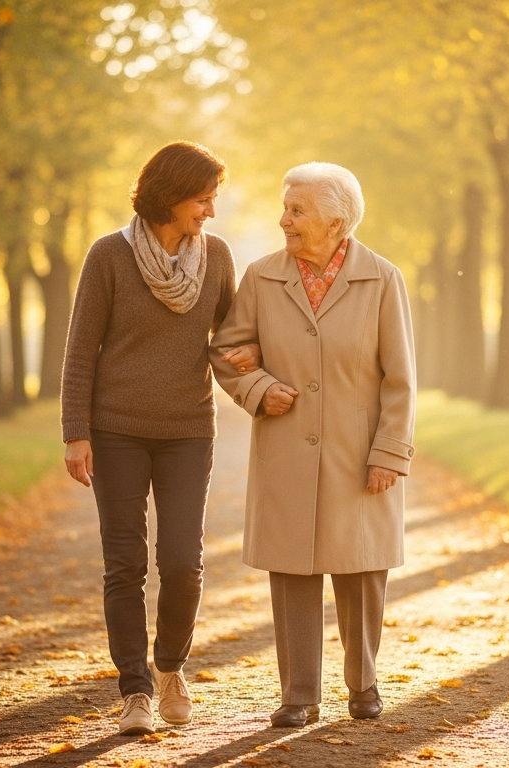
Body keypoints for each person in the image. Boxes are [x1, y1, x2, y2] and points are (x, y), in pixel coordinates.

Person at [60, 141, 260, 736]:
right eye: (203, 200)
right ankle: (135, 691)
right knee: (124, 564)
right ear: (170, 196)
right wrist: (76, 433)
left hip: (187, 431)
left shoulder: (216, 257)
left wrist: (255, 365)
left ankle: (170, 667)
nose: (211, 211)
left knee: (182, 564)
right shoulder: (109, 256)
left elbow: (231, 336)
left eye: (213, 200)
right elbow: (80, 350)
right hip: (115, 429)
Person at [210, 162, 416, 728]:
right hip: (286, 448)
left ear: (335, 222)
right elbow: (225, 349)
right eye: (285, 208)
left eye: (297, 211)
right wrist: (258, 388)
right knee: (292, 571)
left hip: (358, 451)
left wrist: (389, 452)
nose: (284, 220)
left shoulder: (382, 279)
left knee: (362, 569)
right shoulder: (261, 277)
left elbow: (400, 379)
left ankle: (363, 683)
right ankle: (298, 694)